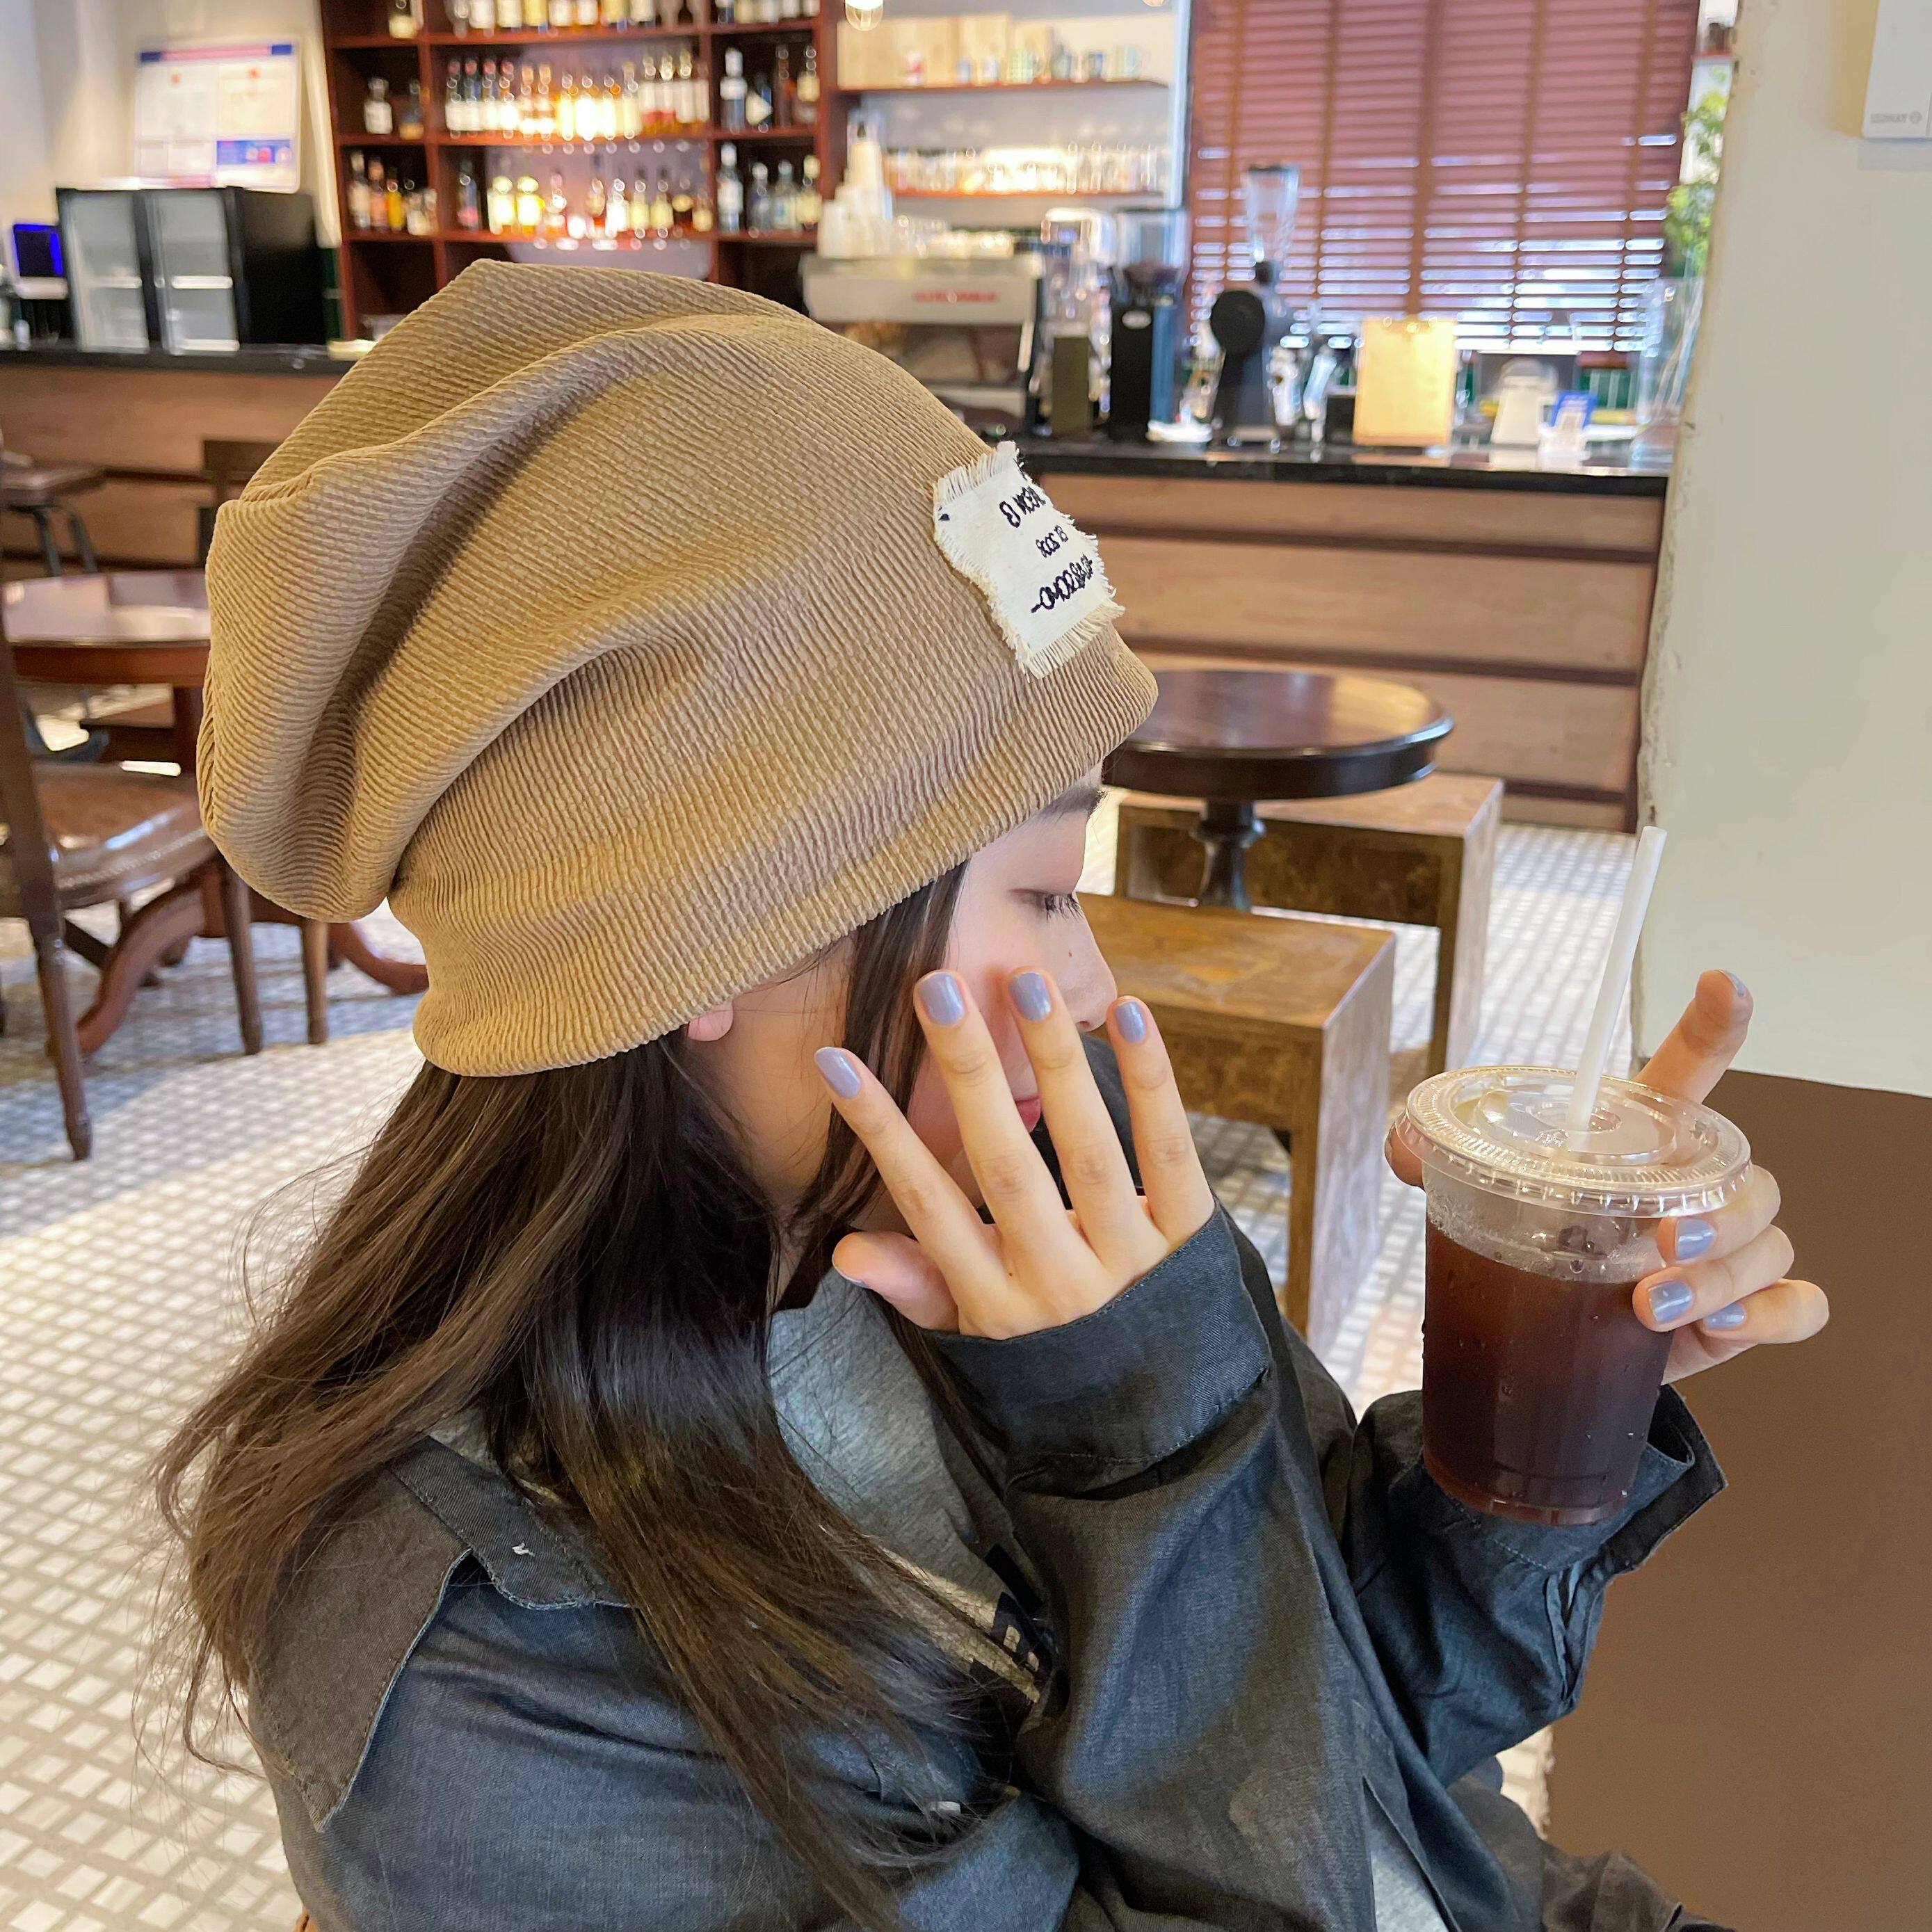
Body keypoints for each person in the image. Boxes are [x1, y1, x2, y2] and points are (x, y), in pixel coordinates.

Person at [154, 265, 1827, 1932]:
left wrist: (1536, 1404)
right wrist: (1139, 1446)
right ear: (703, 930)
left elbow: (1374, 1733)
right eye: (1043, 889)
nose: (1092, 992)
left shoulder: (1034, 1184)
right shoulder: (485, 1680)